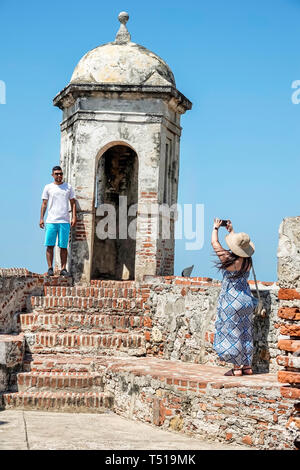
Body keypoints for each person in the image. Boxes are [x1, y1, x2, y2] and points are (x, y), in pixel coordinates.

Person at [211, 218, 257, 376]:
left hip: (232, 300)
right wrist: (232, 232)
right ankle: (247, 366)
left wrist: (216, 228)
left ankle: (237, 368)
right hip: (246, 299)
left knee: (233, 333)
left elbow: (215, 243)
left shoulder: (229, 261)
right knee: (245, 332)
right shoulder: (248, 262)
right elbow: (240, 248)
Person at [39, 166, 77, 277]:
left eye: (60, 173)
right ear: (52, 175)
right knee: (49, 245)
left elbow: (73, 203)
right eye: (56, 174)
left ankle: (63, 268)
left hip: (64, 221)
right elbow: (44, 203)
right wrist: (41, 218)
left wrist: (74, 217)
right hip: (51, 220)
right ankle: (50, 268)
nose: (59, 176)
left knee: (63, 246)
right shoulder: (48, 187)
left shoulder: (68, 187)